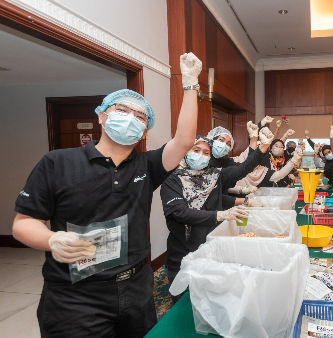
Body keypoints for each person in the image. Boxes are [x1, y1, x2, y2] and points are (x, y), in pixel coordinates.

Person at [11, 53, 203, 336]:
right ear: (102, 116)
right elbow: (22, 223)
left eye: (140, 117)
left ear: (143, 132)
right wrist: (52, 239)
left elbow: (185, 140)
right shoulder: (57, 162)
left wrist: (190, 83)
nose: (131, 118)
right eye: (121, 110)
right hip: (75, 294)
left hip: (136, 287)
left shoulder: (146, 166)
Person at [160, 129, 273, 286]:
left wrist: (262, 149)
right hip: (183, 252)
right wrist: (220, 215)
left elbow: (242, 169)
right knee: (184, 303)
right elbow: (180, 212)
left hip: (210, 248)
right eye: (196, 150)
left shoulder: (212, 175)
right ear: (186, 152)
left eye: (206, 153)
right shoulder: (172, 180)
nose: (201, 155)